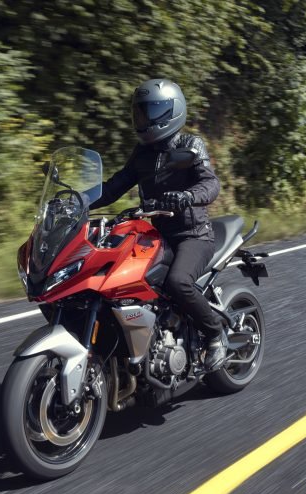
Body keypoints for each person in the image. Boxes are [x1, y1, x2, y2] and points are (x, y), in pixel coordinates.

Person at [89, 78, 227, 371]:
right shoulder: (142, 154)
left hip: (193, 235)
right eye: (140, 112)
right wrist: (78, 201)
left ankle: (216, 334)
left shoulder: (190, 144)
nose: (143, 119)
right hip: (154, 233)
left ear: (171, 112)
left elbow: (210, 183)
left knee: (178, 282)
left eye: (150, 112)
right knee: (122, 280)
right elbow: (113, 187)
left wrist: (188, 196)